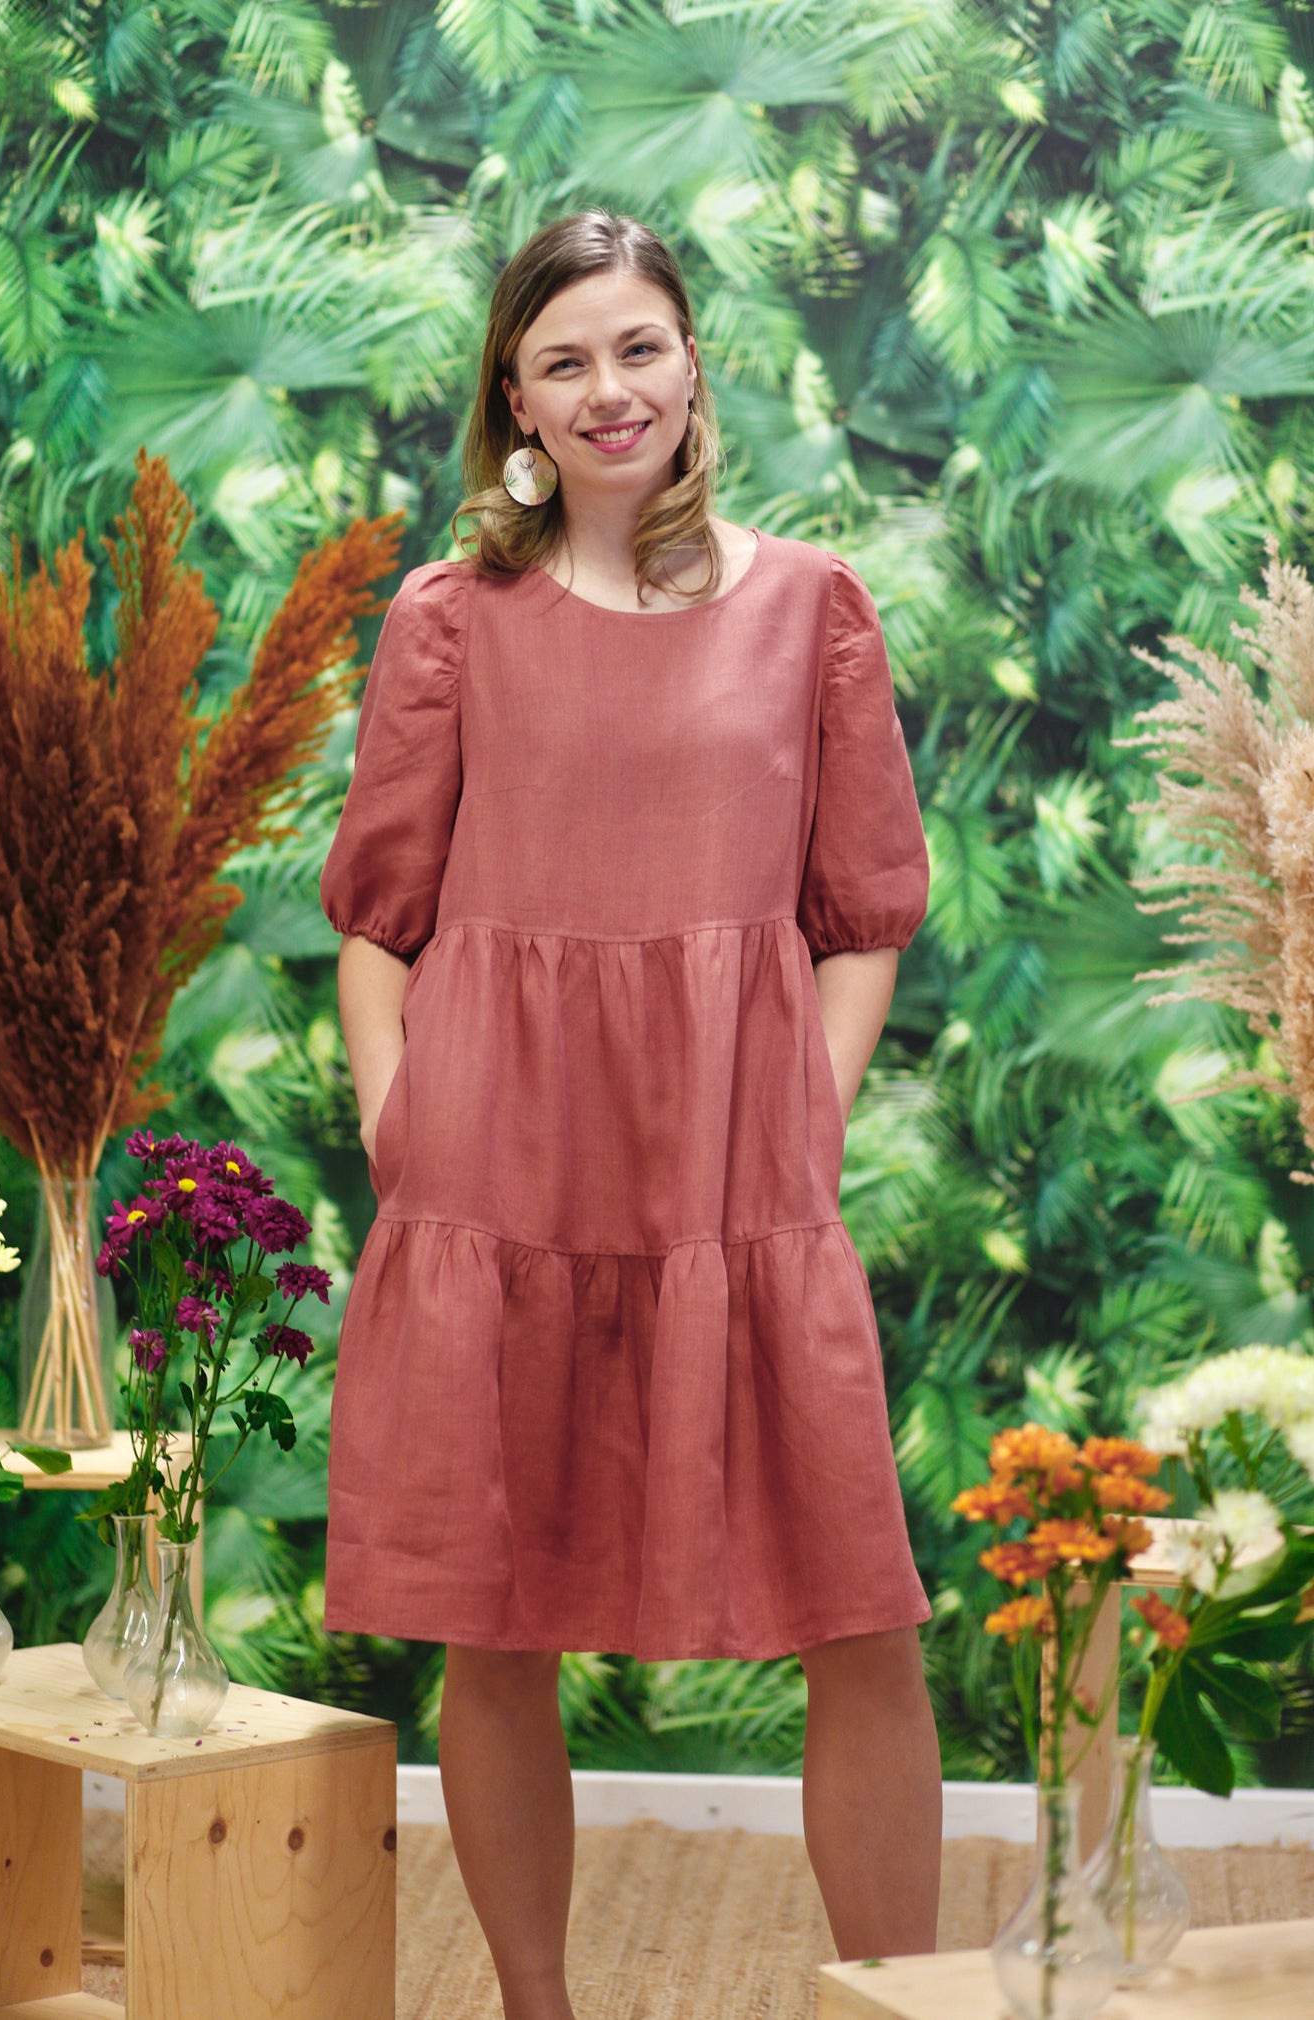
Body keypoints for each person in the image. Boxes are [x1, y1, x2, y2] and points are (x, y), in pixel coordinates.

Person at [319, 207, 942, 2020]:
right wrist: (404, 1121)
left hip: (740, 1187)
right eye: (565, 359)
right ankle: (538, 2008)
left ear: (691, 362)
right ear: (513, 398)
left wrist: (806, 1121)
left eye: (639, 346)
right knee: (498, 1631)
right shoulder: (452, 621)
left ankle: (904, 2002)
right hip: (497, 1177)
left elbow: (863, 918)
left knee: (862, 1622)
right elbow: (378, 923)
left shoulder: (812, 606)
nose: (611, 389)